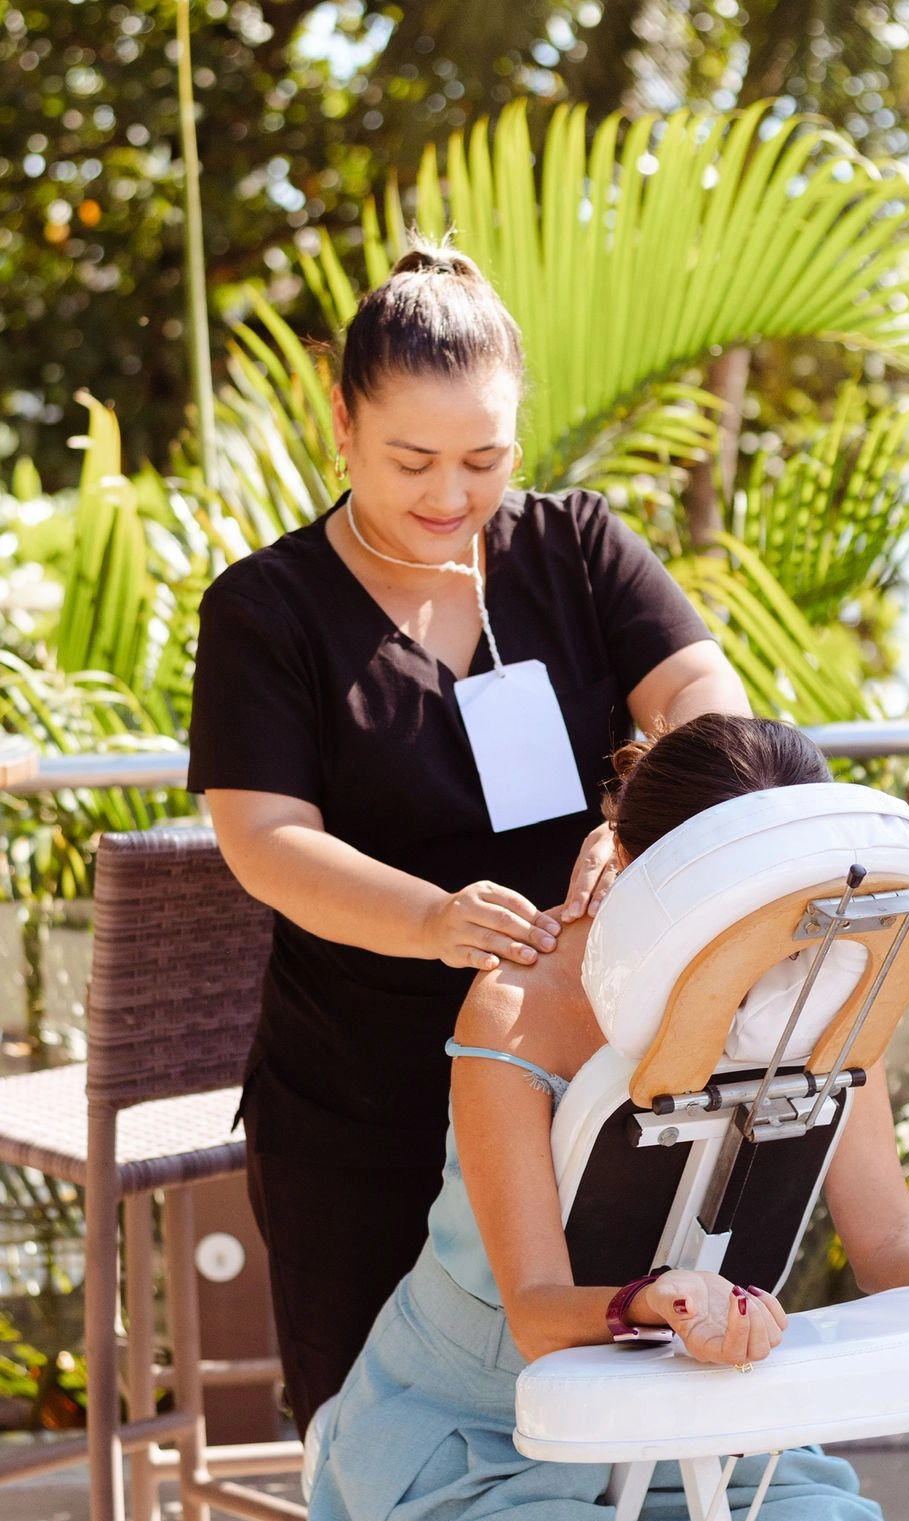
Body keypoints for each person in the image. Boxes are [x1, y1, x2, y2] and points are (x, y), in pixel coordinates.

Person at [304, 713, 909, 1521]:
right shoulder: (519, 1005)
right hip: (487, 1430)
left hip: (706, 1414)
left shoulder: (830, 987)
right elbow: (538, 1314)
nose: (774, 944)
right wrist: (656, 1303)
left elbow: (890, 1248)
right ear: (639, 872)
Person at [186, 241, 750, 1436]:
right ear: (338, 421)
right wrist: (433, 921)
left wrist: (634, 820)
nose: (452, 495)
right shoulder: (265, 610)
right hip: (362, 1108)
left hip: (583, 1091)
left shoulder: (575, 548)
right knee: (384, 1450)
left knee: (593, 1444)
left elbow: (713, 707)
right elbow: (266, 839)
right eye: (414, 460)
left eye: (484, 459)